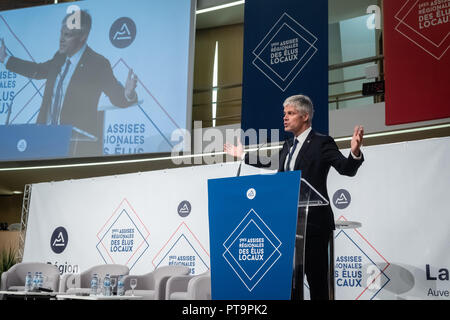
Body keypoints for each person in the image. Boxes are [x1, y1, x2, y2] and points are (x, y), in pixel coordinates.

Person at [224, 94, 364, 300]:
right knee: (290, 282)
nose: (285, 117)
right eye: (284, 113)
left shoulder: (322, 142)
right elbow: (270, 163)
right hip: (288, 224)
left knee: (317, 282)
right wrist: (244, 156)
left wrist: (355, 152)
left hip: (314, 224)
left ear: (305, 116)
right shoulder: (287, 146)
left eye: (290, 113)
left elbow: (346, 169)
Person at [0, 9, 138, 156]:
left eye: (67, 35)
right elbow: (38, 70)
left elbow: (116, 95)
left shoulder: (97, 63)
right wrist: (5, 59)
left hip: (74, 146)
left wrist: (128, 94)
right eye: (61, 33)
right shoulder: (59, 58)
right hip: (42, 139)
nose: (61, 39)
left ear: (83, 37)